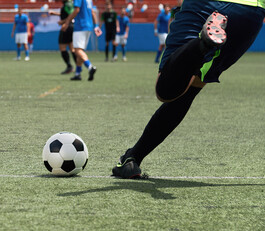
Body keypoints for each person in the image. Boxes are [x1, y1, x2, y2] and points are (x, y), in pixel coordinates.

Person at [111, 0, 265, 179]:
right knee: (189, 87)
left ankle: (203, 43)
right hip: (251, 13)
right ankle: (132, 158)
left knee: (166, 89)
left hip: (207, 5)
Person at [62, 0, 102, 81]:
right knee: (80, 52)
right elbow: (92, 12)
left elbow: (76, 10)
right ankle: (77, 73)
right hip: (88, 27)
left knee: (77, 50)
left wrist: (67, 22)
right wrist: (96, 26)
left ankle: (90, 67)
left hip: (80, 26)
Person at [50, 0, 79, 74]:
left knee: (62, 47)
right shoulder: (70, 4)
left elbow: (72, 15)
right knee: (72, 48)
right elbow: (68, 14)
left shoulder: (68, 4)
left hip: (67, 27)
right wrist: (55, 14)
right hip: (72, 27)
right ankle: (78, 67)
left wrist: (63, 22)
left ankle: (70, 66)